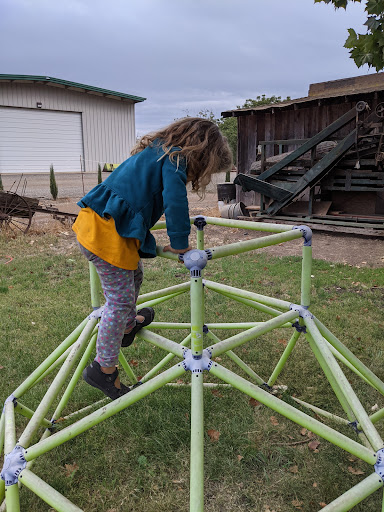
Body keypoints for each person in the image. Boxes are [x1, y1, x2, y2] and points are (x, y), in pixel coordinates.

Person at [72, 117, 233, 400]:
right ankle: (104, 369)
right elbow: (174, 199)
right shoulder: (174, 160)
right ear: (201, 153)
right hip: (105, 231)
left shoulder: (159, 150)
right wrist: (180, 243)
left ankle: (126, 326)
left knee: (135, 274)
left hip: (101, 223)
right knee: (118, 301)